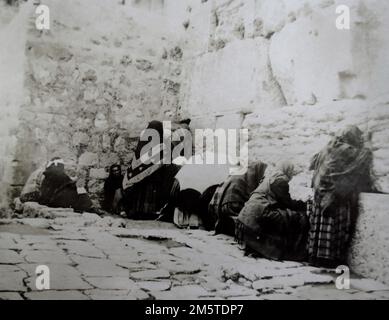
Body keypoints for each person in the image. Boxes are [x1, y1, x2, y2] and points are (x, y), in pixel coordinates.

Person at [308, 125, 377, 268]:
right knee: (332, 228)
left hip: (320, 193)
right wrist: (368, 143)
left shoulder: (328, 147)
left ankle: (314, 257)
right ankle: (328, 260)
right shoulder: (347, 150)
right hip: (333, 196)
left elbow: (312, 162)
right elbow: (364, 157)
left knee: (319, 226)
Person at [236, 161, 308, 261]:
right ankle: (290, 250)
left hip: (246, 215)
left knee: (285, 214)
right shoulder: (280, 180)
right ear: (287, 170)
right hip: (259, 213)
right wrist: (304, 205)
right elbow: (286, 203)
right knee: (295, 217)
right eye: (291, 171)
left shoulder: (270, 177)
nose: (292, 173)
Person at [122, 121, 181, 220]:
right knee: (149, 194)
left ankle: (136, 212)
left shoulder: (143, 141)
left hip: (140, 175)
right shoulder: (161, 144)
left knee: (141, 193)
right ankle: (148, 213)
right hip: (154, 176)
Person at [209, 161, 268, 236]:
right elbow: (252, 196)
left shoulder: (237, 173)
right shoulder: (250, 176)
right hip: (230, 205)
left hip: (216, 206)